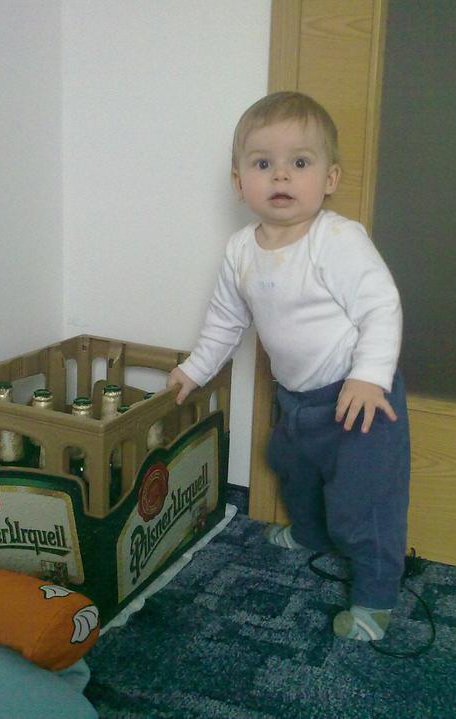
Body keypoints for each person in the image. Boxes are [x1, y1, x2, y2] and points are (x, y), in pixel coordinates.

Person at [167, 91, 410, 642]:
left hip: (358, 398)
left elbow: (380, 305)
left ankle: (376, 597)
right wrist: (195, 369)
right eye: (263, 163)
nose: (280, 175)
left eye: (299, 162)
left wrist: (370, 375)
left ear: (329, 178)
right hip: (296, 399)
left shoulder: (337, 239)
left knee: (364, 503)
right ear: (239, 182)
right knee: (288, 465)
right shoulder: (240, 251)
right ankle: (310, 533)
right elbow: (225, 321)